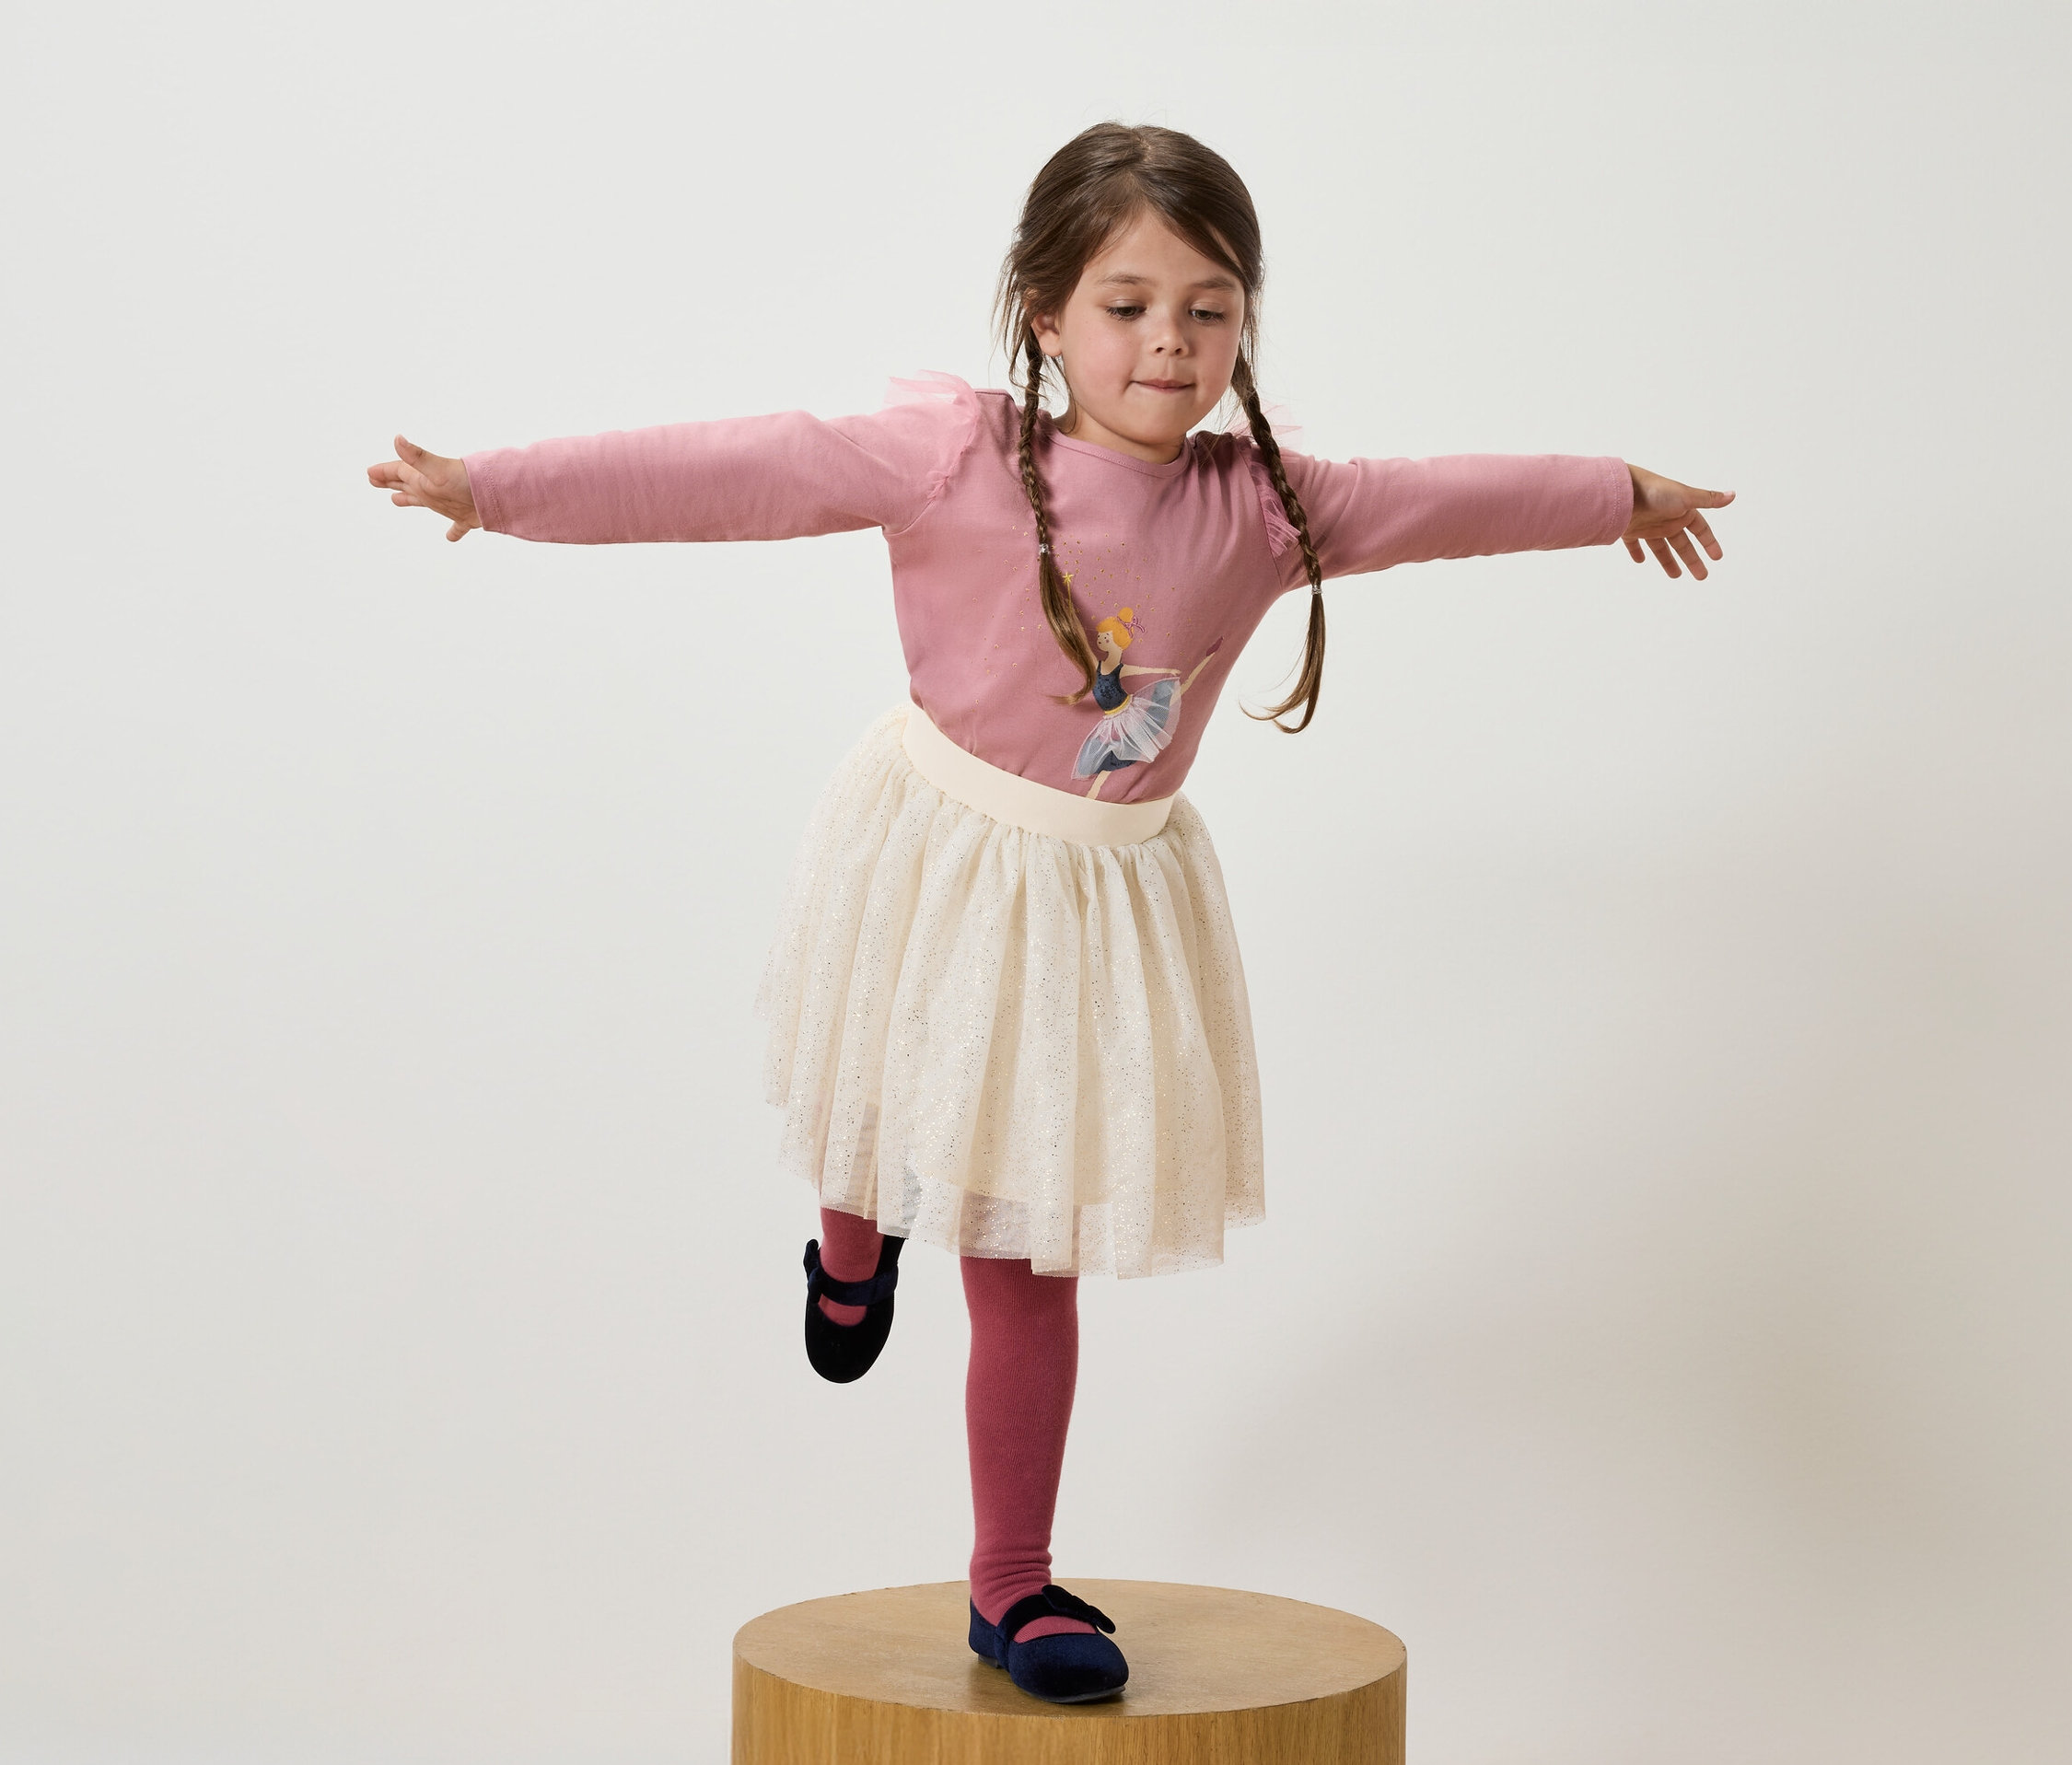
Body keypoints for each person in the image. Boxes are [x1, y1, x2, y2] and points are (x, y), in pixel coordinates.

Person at [367, 122, 1731, 1705]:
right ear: (1042, 313)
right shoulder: (941, 454)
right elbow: (737, 468)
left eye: (1208, 309)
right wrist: (495, 488)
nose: (1170, 342)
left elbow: (1449, 498)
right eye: (1128, 304)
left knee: (1024, 1242)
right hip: (941, 841)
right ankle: (848, 1231)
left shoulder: (1269, 507)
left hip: (1096, 898)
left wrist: (1615, 489)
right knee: (879, 1075)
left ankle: (1009, 1581)